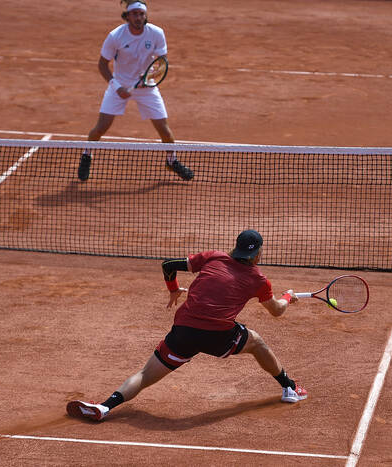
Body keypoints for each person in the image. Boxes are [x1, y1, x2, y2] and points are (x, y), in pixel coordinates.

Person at [66, 229, 307, 422]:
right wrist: (288, 296)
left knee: (145, 374)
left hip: (184, 332)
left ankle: (104, 407)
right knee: (256, 342)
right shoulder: (258, 279)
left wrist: (173, 291)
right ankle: (290, 388)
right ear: (257, 254)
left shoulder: (214, 257)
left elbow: (168, 265)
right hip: (219, 336)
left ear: (237, 248)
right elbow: (276, 311)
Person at [78, 0, 194, 182]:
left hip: (146, 87)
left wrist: (150, 78)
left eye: (141, 14)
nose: (139, 18)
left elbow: (161, 61)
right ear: (127, 16)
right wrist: (117, 87)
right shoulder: (115, 36)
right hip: (120, 85)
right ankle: (87, 154)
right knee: (101, 127)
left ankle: (172, 160)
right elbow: (102, 64)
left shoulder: (156, 33)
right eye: (135, 14)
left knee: (164, 130)